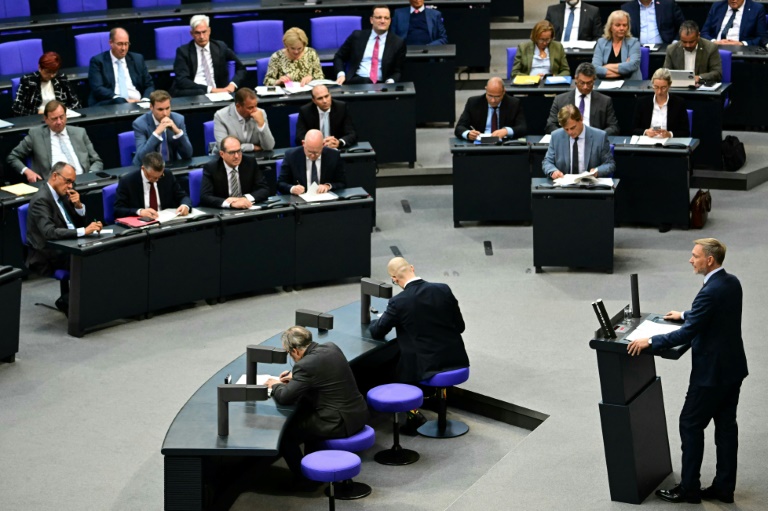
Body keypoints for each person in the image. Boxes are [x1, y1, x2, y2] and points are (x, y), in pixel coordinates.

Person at [627, 238, 748, 504]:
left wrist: (651, 342)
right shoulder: (731, 282)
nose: (690, 260)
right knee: (726, 428)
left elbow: (689, 333)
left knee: (690, 424)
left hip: (711, 375)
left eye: (695, 256)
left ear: (710, 260)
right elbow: (713, 313)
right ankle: (724, 488)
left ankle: (689, 488)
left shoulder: (709, 292)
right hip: (733, 369)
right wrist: (684, 313)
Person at [369, 257, 470, 434]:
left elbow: (377, 332)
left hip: (427, 366)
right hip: (457, 357)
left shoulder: (398, 302)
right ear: (412, 268)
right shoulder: (443, 289)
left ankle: (413, 415)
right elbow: (460, 327)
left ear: (394, 279)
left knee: (391, 365)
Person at [265, 326, 369, 483]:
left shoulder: (305, 366)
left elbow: (285, 397)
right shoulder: (331, 347)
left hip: (339, 423)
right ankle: (314, 464)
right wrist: (296, 378)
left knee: (287, 435)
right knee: (307, 421)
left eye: (289, 353)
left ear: (295, 350)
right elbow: (324, 373)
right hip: (359, 413)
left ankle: (305, 479)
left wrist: (275, 384)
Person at [26, 162, 102, 312]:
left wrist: (79, 207)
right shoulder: (41, 200)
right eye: (68, 181)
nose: (70, 186)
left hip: (69, 245)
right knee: (91, 260)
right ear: (55, 176)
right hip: (48, 253)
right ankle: (74, 304)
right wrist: (83, 231)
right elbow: (50, 232)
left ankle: (89, 301)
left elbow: (76, 224)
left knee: (102, 251)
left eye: (72, 182)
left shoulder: (64, 195)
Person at [7, 100, 103, 183]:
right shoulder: (35, 135)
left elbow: (97, 161)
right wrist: (27, 171)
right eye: (54, 119)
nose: (59, 122)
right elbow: (12, 157)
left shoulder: (79, 132)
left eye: (62, 117)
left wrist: (90, 176)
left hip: (83, 181)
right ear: (46, 119)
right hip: (54, 187)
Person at [171, 14, 246, 97]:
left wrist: (232, 85)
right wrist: (211, 90)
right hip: (194, 92)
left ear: (209, 31)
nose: (202, 36)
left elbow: (241, 68)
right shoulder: (183, 51)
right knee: (199, 92)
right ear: (191, 33)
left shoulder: (220, 47)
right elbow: (182, 80)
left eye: (204, 32)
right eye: (197, 33)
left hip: (220, 91)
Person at [333, 5, 407, 85]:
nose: (383, 21)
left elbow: (398, 71)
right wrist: (341, 75)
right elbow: (339, 57)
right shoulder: (357, 36)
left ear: (390, 21)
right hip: (357, 82)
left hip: (382, 84)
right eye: (379, 17)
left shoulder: (398, 42)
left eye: (386, 18)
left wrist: (390, 82)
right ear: (371, 20)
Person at [542, 104, 615, 179]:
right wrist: (553, 171)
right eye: (566, 129)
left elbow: (610, 164)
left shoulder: (600, 137)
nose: (570, 132)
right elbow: (547, 162)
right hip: (564, 186)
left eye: (573, 128)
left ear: (581, 119)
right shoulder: (556, 136)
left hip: (590, 186)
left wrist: (597, 171)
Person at [545, 62, 620, 136]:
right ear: (576, 79)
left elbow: (614, 127)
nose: (585, 87)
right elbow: (550, 125)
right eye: (582, 83)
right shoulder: (560, 100)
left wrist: (597, 136)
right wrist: (568, 133)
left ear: (594, 81)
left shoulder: (605, 101)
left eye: (589, 83)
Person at [113, 152, 192, 220]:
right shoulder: (128, 181)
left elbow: (183, 196)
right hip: (142, 226)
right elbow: (118, 210)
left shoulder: (167, 175)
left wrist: (185, 205)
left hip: (165, 222)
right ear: (143, 169)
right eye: (153, 177)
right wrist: (140, 211)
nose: (157, 180)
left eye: (159, 176)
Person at [88, 27, 155, 107]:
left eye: (126, 44)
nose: (124, 48)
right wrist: (121, 100)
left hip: (138, 103)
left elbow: (149, 84)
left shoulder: (137, 59)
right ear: (111, 43)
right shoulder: (98, 61)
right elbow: (98, 88)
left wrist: (145, 100)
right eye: (120, 44)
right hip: (111, 103)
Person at [200, 136, 269, 209]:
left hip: (247, 210)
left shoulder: (250, 162)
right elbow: (205, 196)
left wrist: (243, 198)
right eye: (232, 152)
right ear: (222, 154)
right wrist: (230, 204)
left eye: (239, 151)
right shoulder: (212, 168)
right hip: (224, 213)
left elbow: (264, 189)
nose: (236, 156)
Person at [454, 77, 527, 141]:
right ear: (486, 90)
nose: (493, 100)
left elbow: (522, 128)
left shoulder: (514, 103)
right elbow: (459, 127)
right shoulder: (473, 103)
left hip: (503, 145)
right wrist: (468, 134)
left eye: (497, 96)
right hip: (480, 145)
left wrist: (506, 131)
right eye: (490, 96)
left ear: (503, 92)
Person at [132, 90, 193, 166]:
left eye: (167, 108)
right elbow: (141, 158)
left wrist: (177, 132)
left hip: (172, 166)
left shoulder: (178, 119)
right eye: (160, 109)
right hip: (150, 169)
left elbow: (188, 154)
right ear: (151, 107)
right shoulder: (140, 124)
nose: (165, 113)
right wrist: (156, 133)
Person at [277, 129, 346, 195]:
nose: (313, 156)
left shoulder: (333, 155)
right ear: (303, 143)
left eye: (316, 152)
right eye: (309, 152)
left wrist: (328, 186)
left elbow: (342, 183)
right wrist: (292, 188)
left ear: (323, 144)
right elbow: (281, 183)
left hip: (325, 202)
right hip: (301, 203)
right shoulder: (291, 156)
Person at [12, 52, 80, 117]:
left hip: (59, 117)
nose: (52, 75)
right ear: (40, 67)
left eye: (54, 72)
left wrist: (63, 112)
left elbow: (76, 103)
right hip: (37, 118)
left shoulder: (61, 78)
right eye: (48, 72)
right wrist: (37, 112)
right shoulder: (28, 80)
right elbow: (17, 108)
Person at [632, 68, 690, 138]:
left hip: (669, 144)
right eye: (656, 87)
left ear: (669, 85)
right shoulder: (642, 102)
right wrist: (646, 132)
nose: (659, 92)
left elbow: (685, 132)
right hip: (647, 142)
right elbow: (633, 129)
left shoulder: (679, 103)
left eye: (663, 88)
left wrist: (669, 134)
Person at [213, 87, 275, 152]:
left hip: (253, 158)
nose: (255, 110)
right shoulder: (221, 116)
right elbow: (223, 147)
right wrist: (252, 147)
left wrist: (262, 125)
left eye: (256, 106)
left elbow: (269, 147)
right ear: (238, 106)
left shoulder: (260, 113)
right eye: (250, 108)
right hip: (228, 159)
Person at [593, 10, 642, 80]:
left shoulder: (634, 43)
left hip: (629, 85)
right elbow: (595, 68)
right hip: (605, 84)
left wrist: (606, 66)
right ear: (610, 27)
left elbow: (632, 65)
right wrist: (623, 69)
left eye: (625, 25)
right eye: (618, 25)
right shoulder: (601, 43)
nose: (622, 28)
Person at [701, 0, 767, 46]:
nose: (734, 0)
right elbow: (704, 33)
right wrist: (714, 42)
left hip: (741, 50)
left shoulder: (757, 9)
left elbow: (761, 37)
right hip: (716, 47)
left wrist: (742, 44)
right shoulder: (716, 6)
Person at [620, 0, 685, 44]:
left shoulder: (668, 4)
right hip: (636, 52)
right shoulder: (626, 8)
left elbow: (683, 26)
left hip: (665, 50)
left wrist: (675, 43)